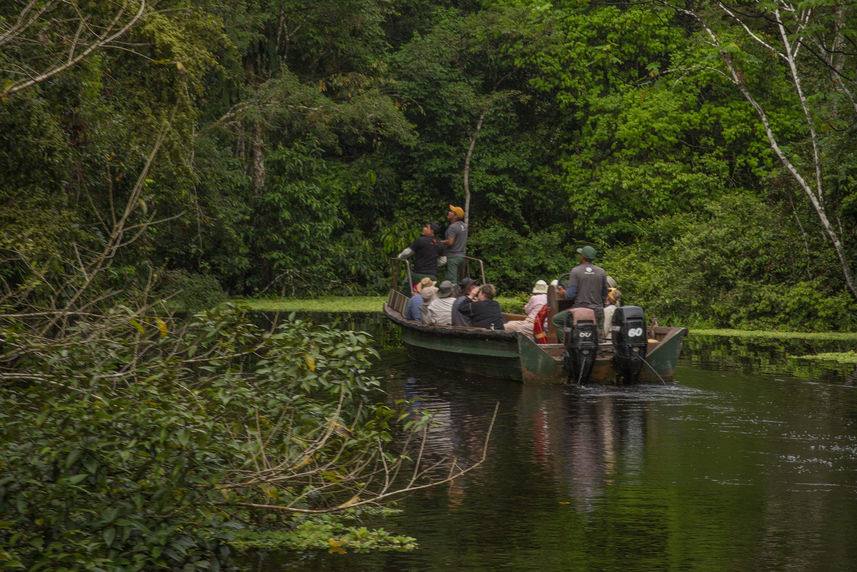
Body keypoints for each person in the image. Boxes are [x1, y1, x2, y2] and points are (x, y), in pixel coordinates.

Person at [551, 245, 608, 341]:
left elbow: (571, 295)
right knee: (598, 335)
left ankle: (567, 346)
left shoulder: (576, 271)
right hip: (597, 311)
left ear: (582, 257)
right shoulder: (601, 272)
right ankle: (599, 348)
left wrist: (563, 293)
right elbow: (604, 294)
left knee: (556, 320)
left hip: (580, 311)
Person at [398, 222, 444, 287]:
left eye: (426, 227)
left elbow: (407, 253)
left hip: (418, 274)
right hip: (433, 276)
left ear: (432, 231)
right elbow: (443, 260)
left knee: (406, 291)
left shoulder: (420, 240)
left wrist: (399, 257)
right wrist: (433, 265)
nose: (423, 228)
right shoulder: (440, 244)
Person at [441, 205, 467, 283]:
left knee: (452, 282)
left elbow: (450, 242)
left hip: (453, 257)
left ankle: (453, 295)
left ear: (456, 216)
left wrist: (439, 242)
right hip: (462, 257)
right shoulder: (464, 226)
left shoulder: (453, 227)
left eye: (452, 212)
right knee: (457, 280)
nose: (449, 212)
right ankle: (457, 294)